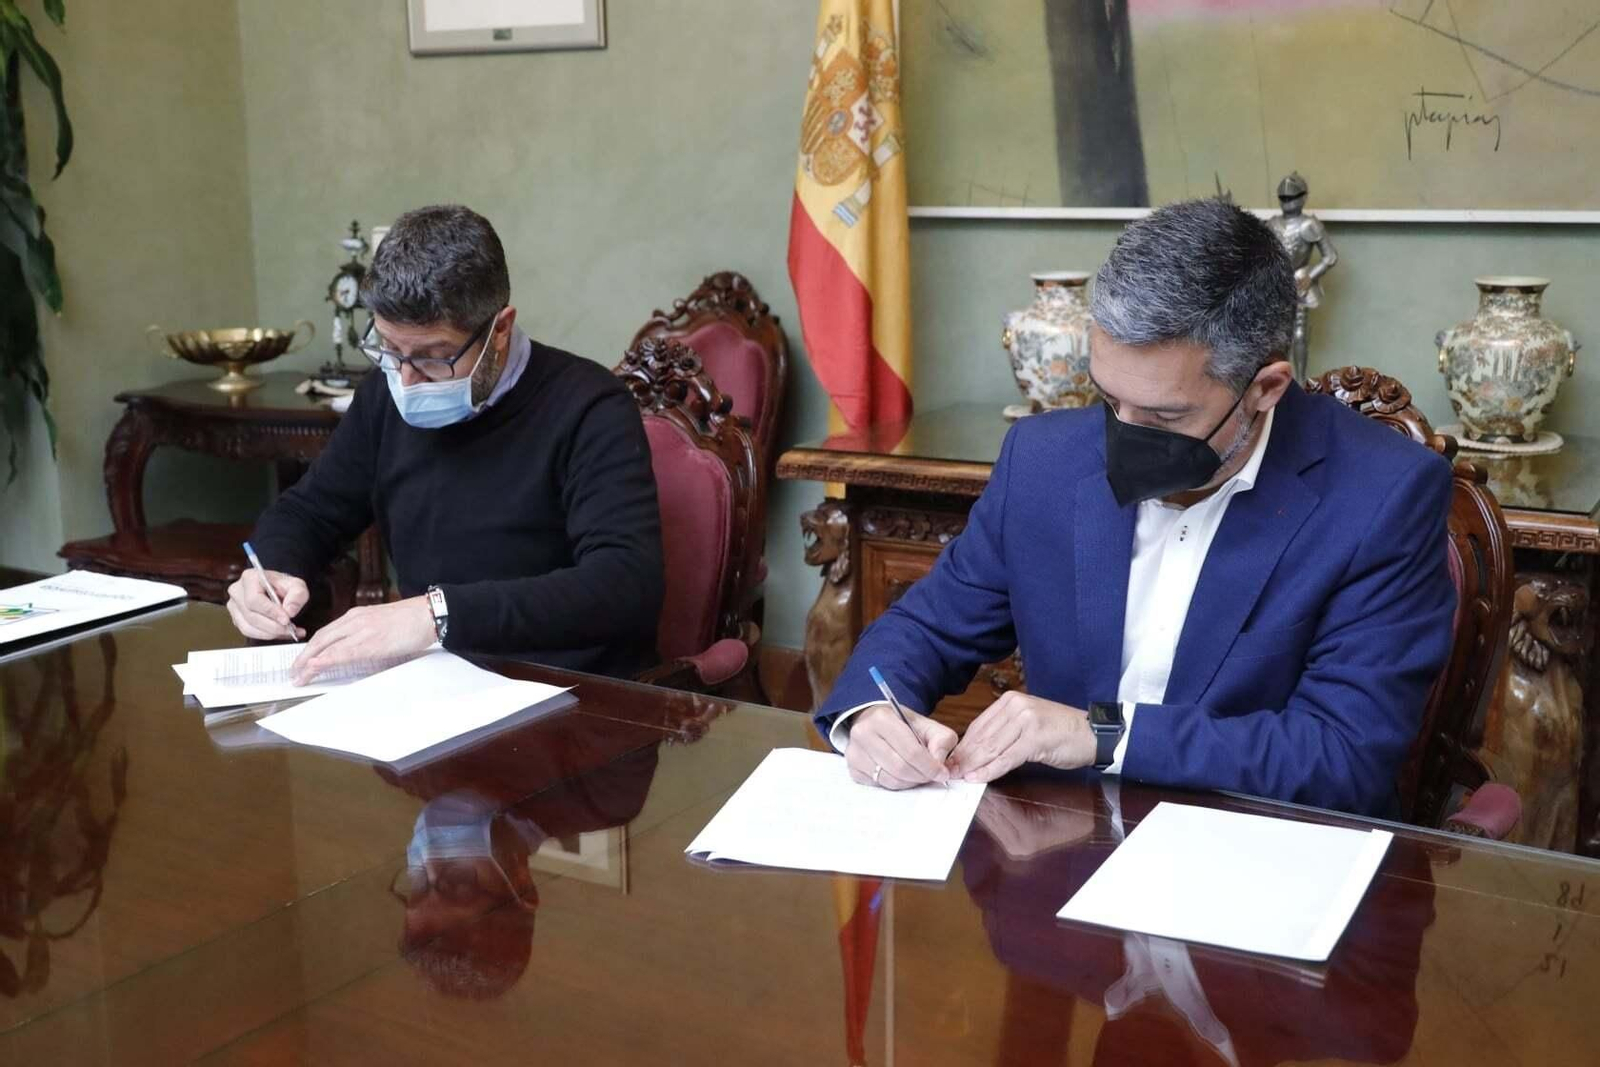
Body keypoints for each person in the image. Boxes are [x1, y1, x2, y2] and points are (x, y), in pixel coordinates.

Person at [818, 197, 1455, 816]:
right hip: (1056, 856)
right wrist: (875, 714)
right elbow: (927, 628)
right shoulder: (1044, 461)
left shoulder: (1383, 496)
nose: (1123, 435)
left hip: (1252, 863)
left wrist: (1104, 735)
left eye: (1163, 415)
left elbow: (1343, 755)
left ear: (1265, 389)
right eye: (1109, 399)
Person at [227, 205, 664, 681]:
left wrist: (435, 614)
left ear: (499, 330)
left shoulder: (588, 405)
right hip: (433, 683)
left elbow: (625, 582)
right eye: (391, 350)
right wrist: (272, 571)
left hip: (566, 691)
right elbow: (310, 511)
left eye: (435, 357)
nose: (408, 380)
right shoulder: (385, 393)